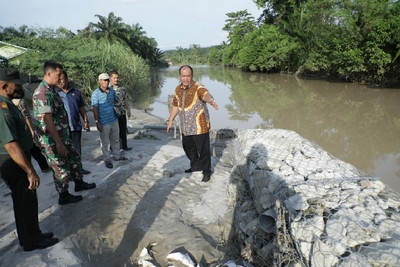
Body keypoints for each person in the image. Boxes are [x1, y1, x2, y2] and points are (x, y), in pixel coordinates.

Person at [0, 68, 59, 251]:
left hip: (18, 159)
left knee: (29, 199)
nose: (19, 89)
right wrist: (30, 171)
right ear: (4, 85)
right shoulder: (2, 109)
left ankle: (34, 233)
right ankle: (30, 241)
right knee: (24, 201)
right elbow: (11, 145)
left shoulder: (8, 103)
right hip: (12, 161)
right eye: (16, 86)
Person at [32, 60, 96, 205]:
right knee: (61, 168)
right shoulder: (42, 93)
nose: (61, 77)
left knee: (74, 159)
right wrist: (59, 142)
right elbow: (47, 120)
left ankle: (79, 183)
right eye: (58, 74)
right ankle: (64, 195)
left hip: (63, 135)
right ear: (49, 73)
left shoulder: (52, 89)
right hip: (52, 140)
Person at [167, 65, 219, 182]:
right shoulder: (178, 89)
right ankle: (196, 165)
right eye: (183, 76)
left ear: (192, 76)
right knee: (188, 147)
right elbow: (175, 105)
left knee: (203, 150)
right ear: (180, 76)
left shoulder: (198, 87)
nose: (186, 78)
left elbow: (205, 94)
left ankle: (206, 171)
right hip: (185, 126)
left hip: (199, 126)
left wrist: (211, 100)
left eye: (188, 76)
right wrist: (170, 120)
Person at [57, 70, 91, 174]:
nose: (60, 82)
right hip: (63, 129)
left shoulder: (76, 92)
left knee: (77, 150)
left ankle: (78, 169)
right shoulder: (55, 94)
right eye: (58, 80)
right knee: (65, 152)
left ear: (67, 80)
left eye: (61, 79)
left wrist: (86, 121)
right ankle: (69, 172)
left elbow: (81, 108)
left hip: (75, 126)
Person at [91, 73, 127, 169]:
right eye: (104, 80)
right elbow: (94, 108)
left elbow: (116, 101)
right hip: (103, 122)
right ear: (99, 81)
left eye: (107, 80)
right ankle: (107, 159)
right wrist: (97, 122)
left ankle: (116, 156)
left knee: (115, 140)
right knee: (105, 143)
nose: (106, 82)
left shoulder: (111, 91)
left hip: (114, 119)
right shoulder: (95, 94)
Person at [12, 97, 51, 173]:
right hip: (25, 128)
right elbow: (26, 116)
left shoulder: (7, 101)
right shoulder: (19, 100)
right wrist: (31, 129)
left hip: (17, 130)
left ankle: (40, 168)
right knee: (34, 147)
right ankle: (43, 167)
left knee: (30, 149)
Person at [109, 71, 132, 151]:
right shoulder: (108, 89)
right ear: (110, 78)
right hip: (113, 114)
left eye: (117, 77)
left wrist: (128, 110)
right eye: (114, 78)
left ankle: (124, 146)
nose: (116, 79)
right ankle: (113, 147)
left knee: (123, 130)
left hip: (122, 112)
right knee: (114, 132)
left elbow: (125, 99)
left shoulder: (122, 88)